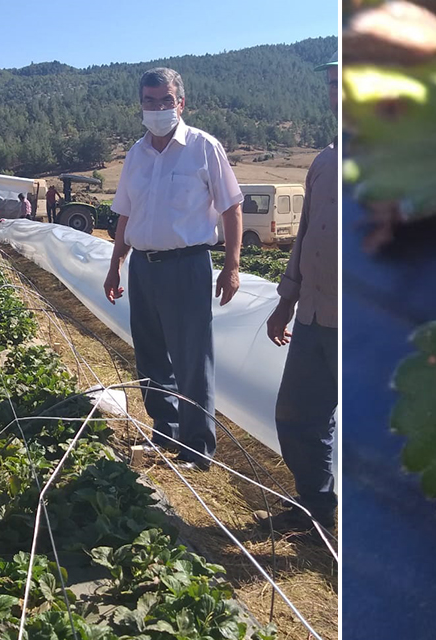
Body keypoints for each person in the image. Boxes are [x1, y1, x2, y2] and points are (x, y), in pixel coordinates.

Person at [102, 68, 242, 471]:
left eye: (166, 101)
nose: (158, 109)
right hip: (144, 267)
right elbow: (125, 216)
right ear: (141, 106)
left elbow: (232, 207)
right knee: (150, 354)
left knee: (191, 359)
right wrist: (116, 266)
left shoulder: (203, 148)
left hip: (186, 266)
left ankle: (197, 448)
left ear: (181, 103)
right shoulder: (136, 154)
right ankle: (166, 428)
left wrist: (231, 266)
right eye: (150, 102)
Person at [267, 51, 339, 531]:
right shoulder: (325, 161)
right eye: (332, 83)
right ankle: (318, 506)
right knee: (296, 416)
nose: (339, 93)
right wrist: (285, 303)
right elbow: (306, 236)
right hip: (315, 317)